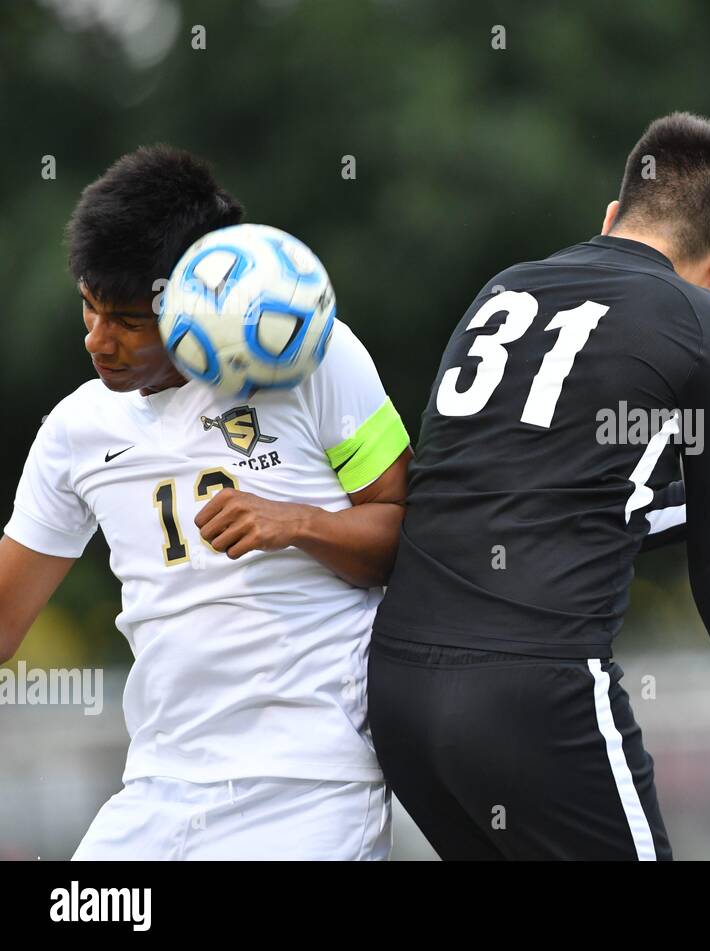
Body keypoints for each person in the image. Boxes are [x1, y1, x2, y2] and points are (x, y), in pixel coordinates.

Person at [370, 112, 710, 860]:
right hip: (534, 695)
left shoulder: (504, 290)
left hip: (400, 692)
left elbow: (578, 512)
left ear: (613, 216)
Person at [0, 146, 411, 859]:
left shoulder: (316, 357)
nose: (97, 340)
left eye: (126, 319)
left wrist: (298, 523)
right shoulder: (75, 430)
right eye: (89, 306)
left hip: (309, 785)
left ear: (195, 298)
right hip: (157, 786)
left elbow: (408, 538)